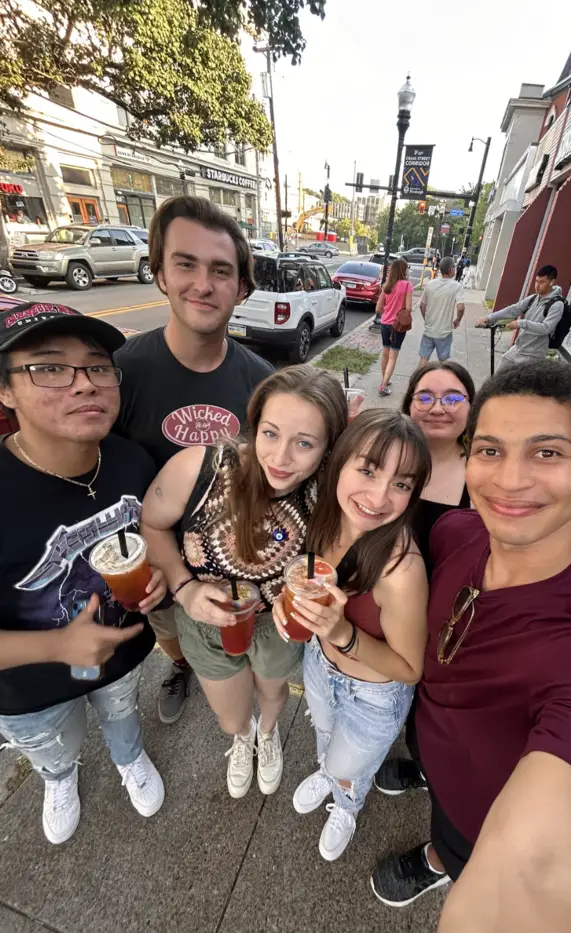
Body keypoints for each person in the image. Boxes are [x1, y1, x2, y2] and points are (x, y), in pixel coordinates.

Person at [371, 361, 571, 928]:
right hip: (432, 741)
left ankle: (441, 860)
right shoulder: (455, 534)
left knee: (459, 844)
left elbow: (537, 876)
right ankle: (428, 796)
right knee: (435, 786)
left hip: (479, 817)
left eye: (548, 453)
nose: (509, 480)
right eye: (489, 451)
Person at [0, 302, 168, 845]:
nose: (83, 385)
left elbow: (151, 540)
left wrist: (161, 574)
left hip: (121, 654)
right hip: (26, 687)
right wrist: (58, 648)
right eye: (49, 368)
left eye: (97, 367)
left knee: (122, 713)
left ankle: (129, 759)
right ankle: (60, 778)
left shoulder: (131, 461)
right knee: (53, 744)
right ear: (5, 391)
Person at [140, 366, 347, 801]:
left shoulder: (331, 491)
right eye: (270, 434)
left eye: (304, 443)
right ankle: (244, 738)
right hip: (206, 621)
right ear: (254, 425)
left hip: (278, 622)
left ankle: (267, 735)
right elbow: (152, 525)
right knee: (232, 718)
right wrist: (184, 588)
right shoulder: (202, 467)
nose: (281, 458)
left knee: (273, 692)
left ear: (328, 449)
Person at [115, 196, 273, 725]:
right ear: (159, 272)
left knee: (237, 650)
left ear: (241, 288)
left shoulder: (262, 382)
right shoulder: (119, 373)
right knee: (170, 633)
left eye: (221, 271)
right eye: (186, 263)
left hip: (233, 560)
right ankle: (180, 663)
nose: (203, 284)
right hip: (158, 557)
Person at [272, 409, 431, 861]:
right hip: (320, 667)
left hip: (374, 694)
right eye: (367, 470)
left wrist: (342, 633)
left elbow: (409, 668)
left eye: (401, 484)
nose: (379, 496)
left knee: (349, 764)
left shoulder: (402, 569)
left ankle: (348, 800)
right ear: (339, 462)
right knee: (324, 734)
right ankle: (330, 773)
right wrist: (290, 605)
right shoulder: (325, 519)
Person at [401, 361, 475, 564]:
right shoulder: (384, 456)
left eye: (452, 399)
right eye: (424, 398)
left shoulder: (485, 475)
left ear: (471, 408)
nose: (437, 409)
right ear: (409, 405)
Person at [475, 263, 564, 369]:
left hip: (533, 356)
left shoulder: (557, 305)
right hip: (518, 348)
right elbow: (513, 310)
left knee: (517, 384)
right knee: (498, 377)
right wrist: (489, 318)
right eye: (536, 281)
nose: (537, 285)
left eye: (542, 282)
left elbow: (546, 328)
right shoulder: (533, 298)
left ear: (552, 282)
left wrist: (521, 323)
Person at [418, 258, 466, 367]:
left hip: (429, 330)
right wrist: (458, 319)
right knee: (444, 362)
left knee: (423, 359)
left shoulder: (430, 284)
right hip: (444, 332)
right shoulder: (456, 286)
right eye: (454, 267)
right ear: (450, 270)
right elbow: (460, 308)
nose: (455, 269)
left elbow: (422, 305)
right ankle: (443, 381)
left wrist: (426, 319)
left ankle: (417, 381)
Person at [376, 258, 413, 398]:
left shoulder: (387, 286)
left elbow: (378, 308)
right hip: (397, 326)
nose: (407, 270)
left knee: (385, 353)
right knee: (393, 357)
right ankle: (383, 387)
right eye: (406, 268)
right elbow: (409, 308)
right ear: (403, 270)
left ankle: (385, 379)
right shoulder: (407, 285)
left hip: (385, 324)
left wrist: (389, 309)